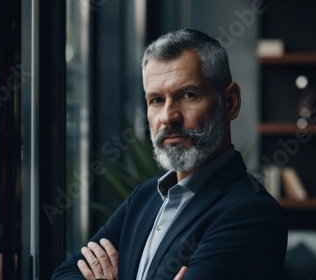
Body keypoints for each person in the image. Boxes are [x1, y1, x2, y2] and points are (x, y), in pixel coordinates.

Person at [52, 29, 287, 280]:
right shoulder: (143, 197)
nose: (168, 116)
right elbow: (65, 274)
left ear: (230, 102)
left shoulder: (251, 213)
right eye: (155, 100)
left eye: (187, 95)